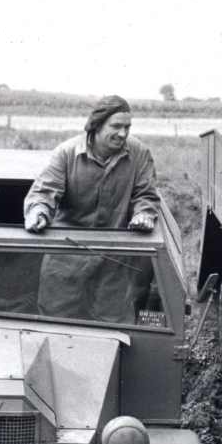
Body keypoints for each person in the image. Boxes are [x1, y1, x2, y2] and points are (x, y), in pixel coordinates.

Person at [22, 96, 162, 320]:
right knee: (57, 323)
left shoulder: (140, 154)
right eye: (116, 126)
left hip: (114, 262)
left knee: (114, 324)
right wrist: (39, 212)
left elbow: (146, 194)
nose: (123, 134)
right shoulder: (66, 153)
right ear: (96, 125)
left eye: (127, 127)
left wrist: (143, 213)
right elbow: (44, 191)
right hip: (65, 259)